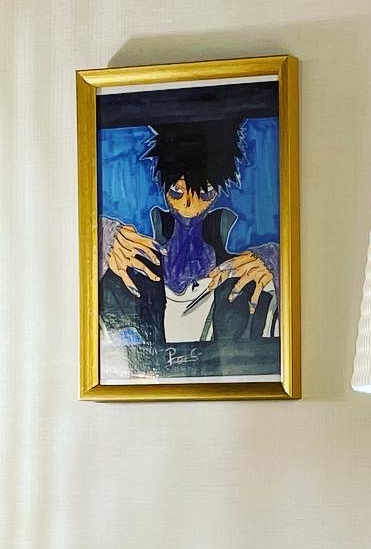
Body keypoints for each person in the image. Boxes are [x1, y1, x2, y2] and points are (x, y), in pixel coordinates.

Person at [99, 115, 278, 368]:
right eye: (176, 192)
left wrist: (277, 261)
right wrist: (102, 236)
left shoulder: (246, 282)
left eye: (204, 193)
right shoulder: (126, 273)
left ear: (218, 192)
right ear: (163, 188)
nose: (188, 205)